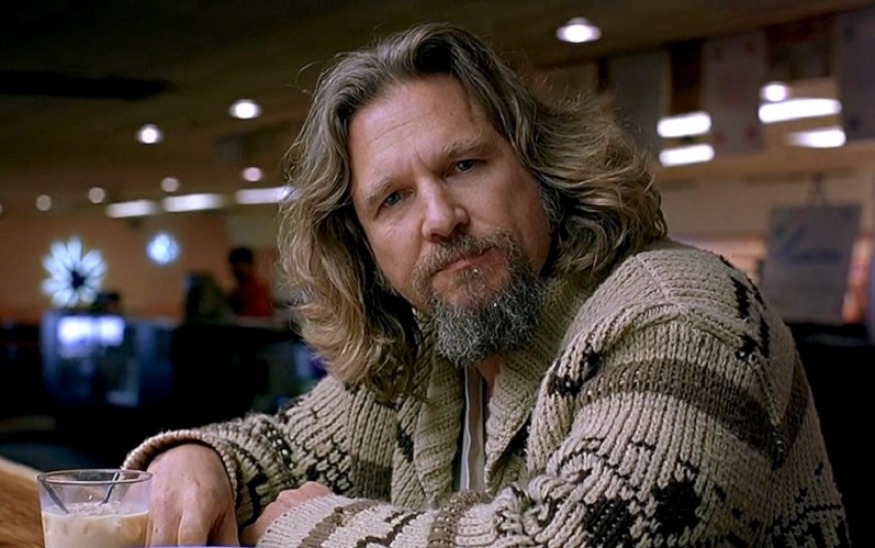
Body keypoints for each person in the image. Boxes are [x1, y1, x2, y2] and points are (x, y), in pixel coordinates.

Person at [122, 23, 849, 546]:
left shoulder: (682, 312)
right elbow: (279, 449)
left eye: (464, 165)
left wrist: (306, 530)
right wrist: (199, 460)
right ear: (363, 247)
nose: (440, 219)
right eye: (393, 200)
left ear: (538, 167)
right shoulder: (423, 355)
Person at [227, 246, 274, 318]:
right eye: (233, 265)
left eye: (239, 265)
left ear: (250, 265)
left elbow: (260, 317)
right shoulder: (238, 291)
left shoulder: (257, 291)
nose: (235, 269)